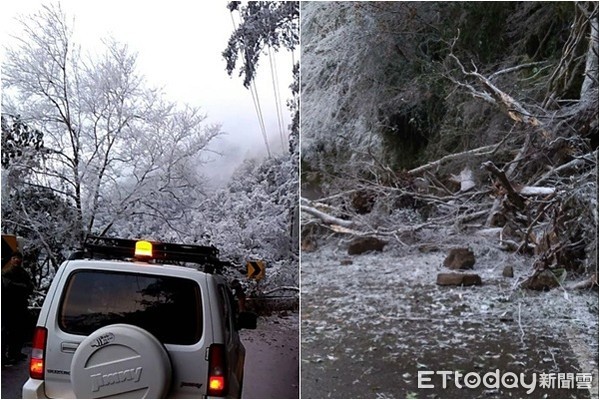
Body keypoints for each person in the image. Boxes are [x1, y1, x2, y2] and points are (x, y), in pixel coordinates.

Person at [2, 252, 34, 366]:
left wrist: (22, 288)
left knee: (18, 331)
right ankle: (3, 357)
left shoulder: (23, 273)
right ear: (11, 260)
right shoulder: (6, 273)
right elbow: (8, 286)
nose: (16, 260)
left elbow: (30, 287)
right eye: (14, 258)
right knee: (6, 333)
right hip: (8, 307)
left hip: (20, 307)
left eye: (18, 258)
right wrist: (22, 287)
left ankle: (15, 353)